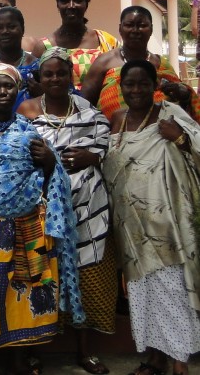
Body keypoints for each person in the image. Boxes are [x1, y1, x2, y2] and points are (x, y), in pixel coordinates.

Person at [0, 62, 84, 375]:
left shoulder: (27, 127)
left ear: (17, 89)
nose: (2, 92)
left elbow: (47, 175)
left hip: (28, 225)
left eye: (8, 86)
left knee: (27, 291)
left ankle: (22, 360)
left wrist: (51, 162)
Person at [17, 48, 114, 375]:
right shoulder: (28, 114)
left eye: (61, 73)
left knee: (85, 280)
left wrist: (93, 158)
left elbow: (110, 153)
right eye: (48, 74)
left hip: (88, 210)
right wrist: (48, 163)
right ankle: (35, 354)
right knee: (41, 278)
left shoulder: (91, 114)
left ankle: (85, 353)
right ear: (40, 79)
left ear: (70, 77)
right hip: (42, 211)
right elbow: (18, 159)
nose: (55, 79)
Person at [103, 60, 200, 375]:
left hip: (168, 223)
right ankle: (155, 359)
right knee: (143, 294)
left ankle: (179, 362)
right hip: (130, 225)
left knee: (172, 291)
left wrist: (179, 139)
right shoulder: (117, 119)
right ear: (121, 87)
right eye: (129, 84)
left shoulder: (170, 114)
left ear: (154, 85)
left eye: (142, 84)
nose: (135, 90)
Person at [81, 6, 200, 122]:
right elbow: (84, 105)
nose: (135, 30)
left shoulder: (161, 64)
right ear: (120, 29)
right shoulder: (104, 62)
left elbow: (182, 104)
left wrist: (184, 94)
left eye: (142, 25)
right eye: (129, 25)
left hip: (162, 137)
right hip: (112, 136)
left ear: (151, 29)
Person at [32, 0, 118, 91]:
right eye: (65, 1)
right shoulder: (43, 47)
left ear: (86, 4)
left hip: (103, 108)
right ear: (58, 5)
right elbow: (34, 85)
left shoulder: (105, 40)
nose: (71, 6)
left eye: (77, 0)